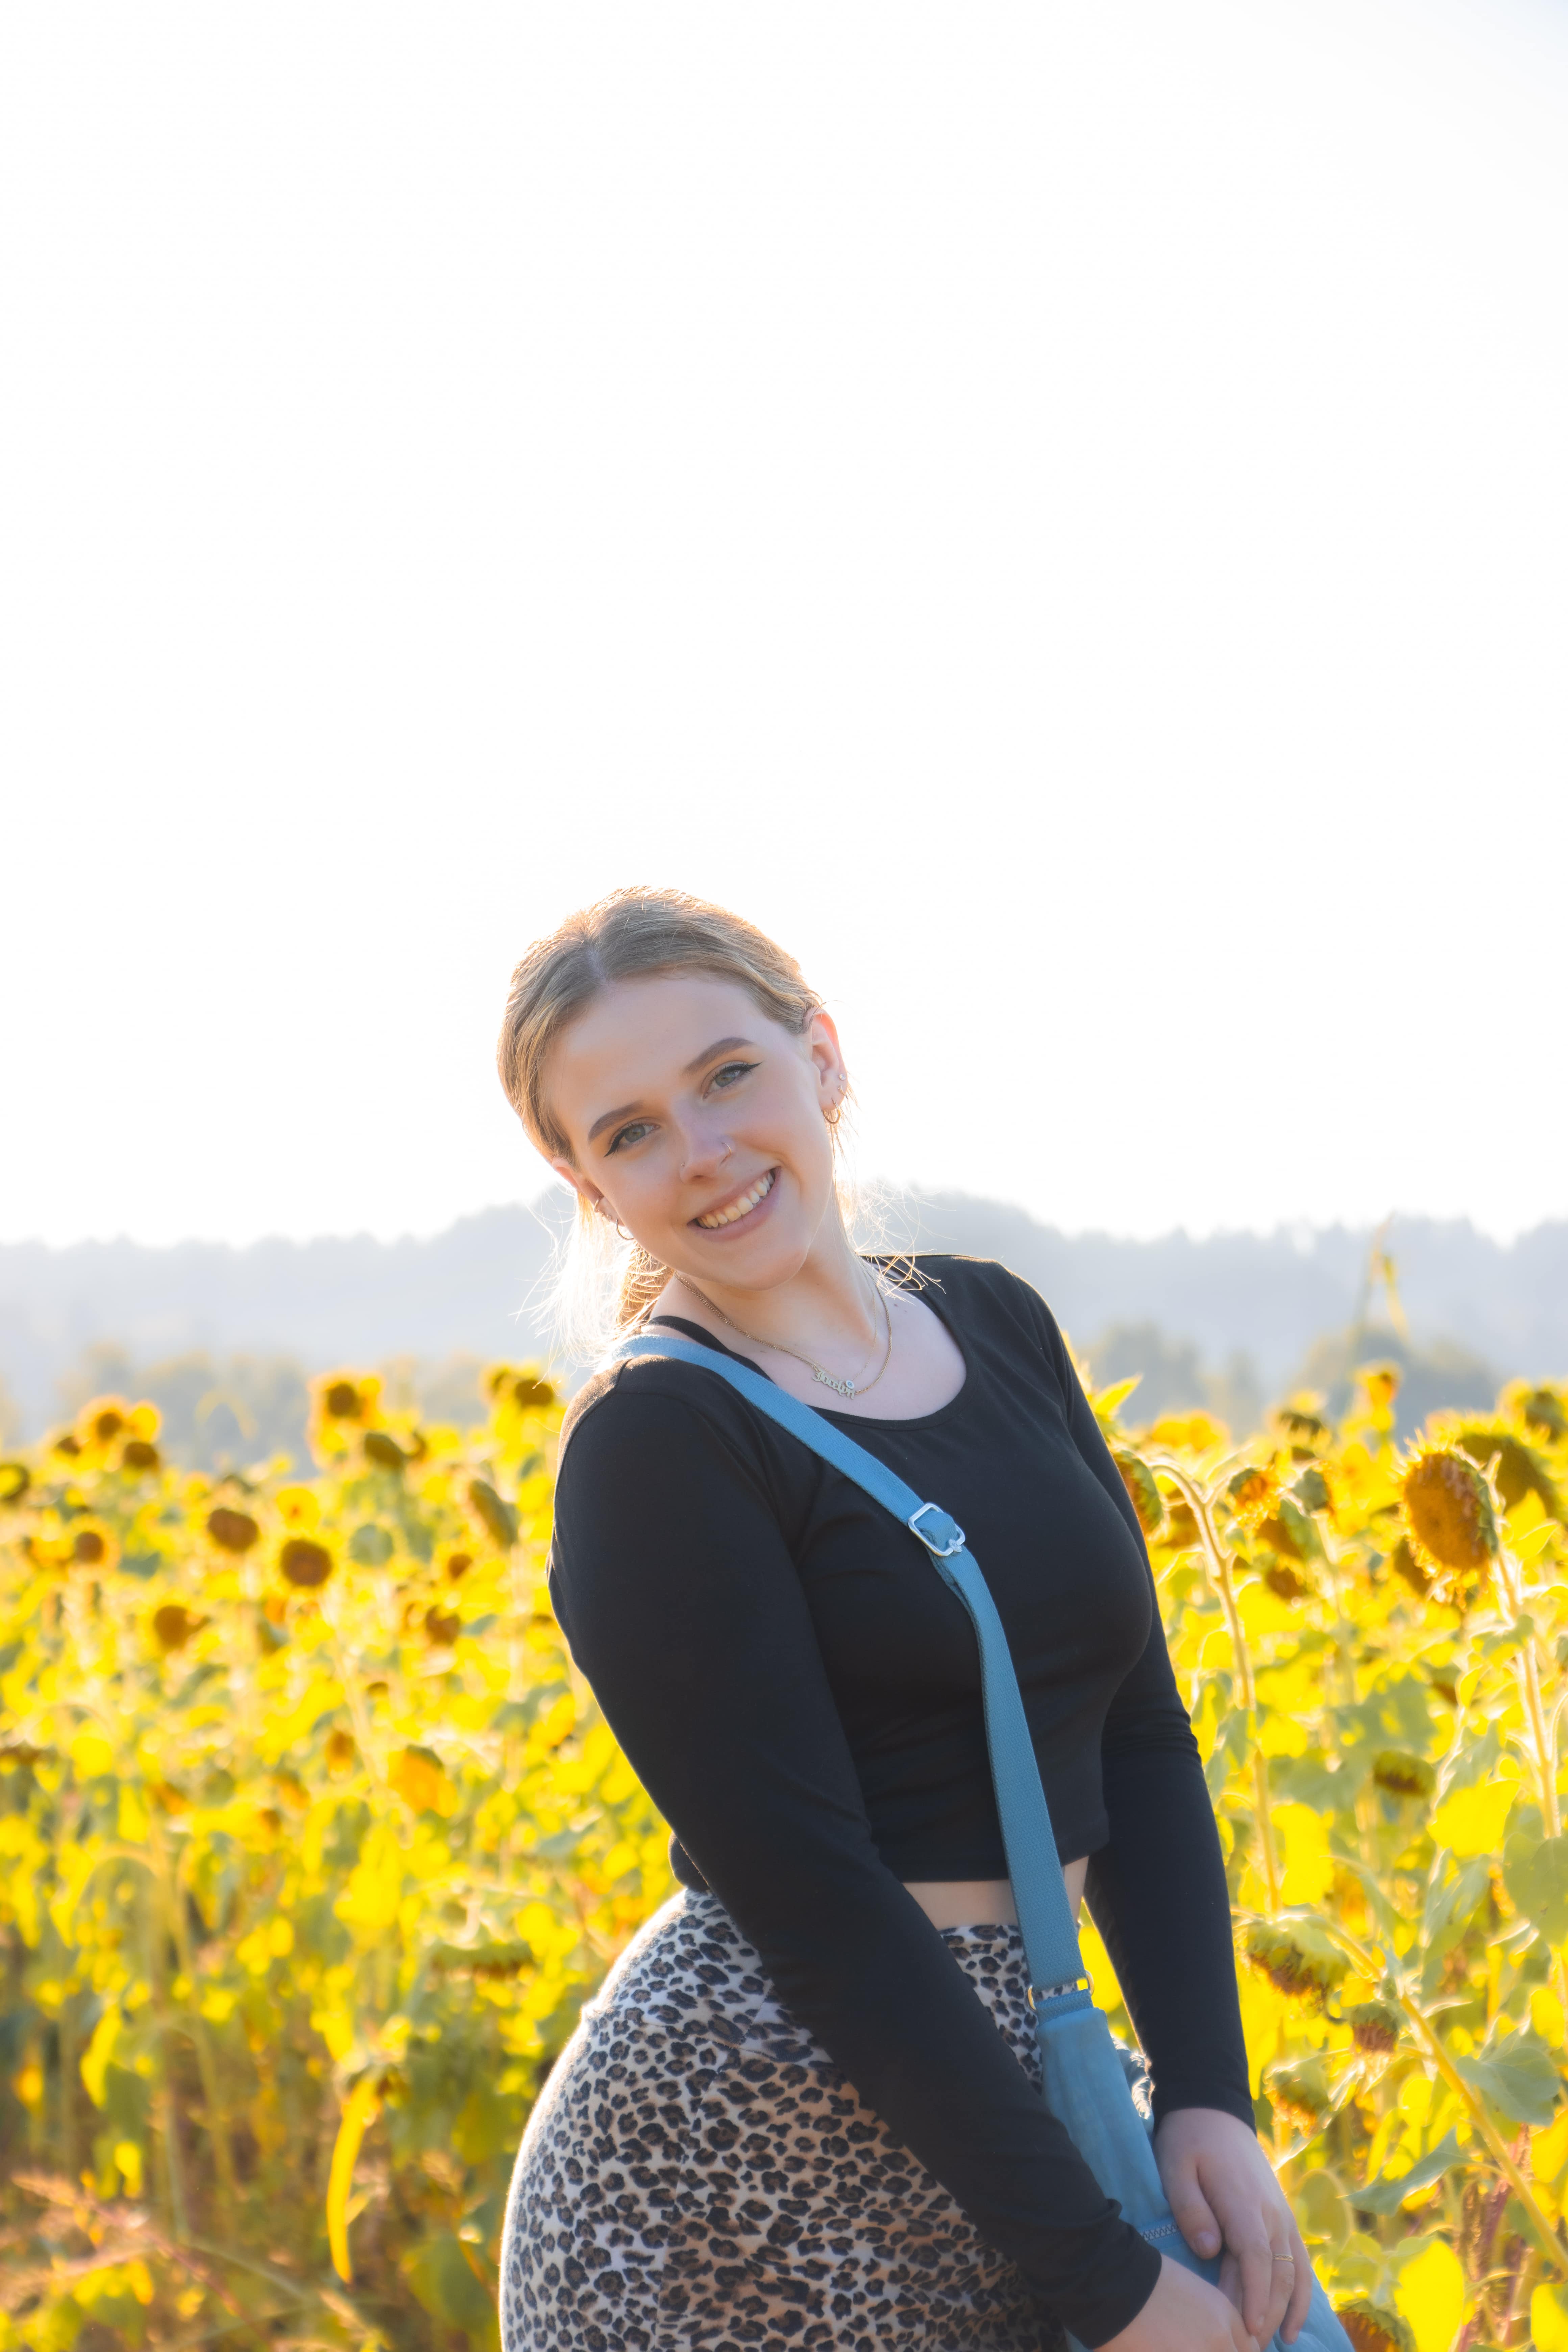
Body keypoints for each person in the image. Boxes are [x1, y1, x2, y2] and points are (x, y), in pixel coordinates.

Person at [495, 887, 1309, 2352]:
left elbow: (1129, 1723)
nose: (702, 1153)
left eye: (726, 1075)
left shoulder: (994, 1321)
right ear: (587, 1183)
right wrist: (1106, 2285)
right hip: (733, 2183)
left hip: (1034, 2097)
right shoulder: (654, 1444)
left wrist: (1205, 2094)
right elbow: (816, 1911)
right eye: (627, 1132)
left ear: (821, 1055)